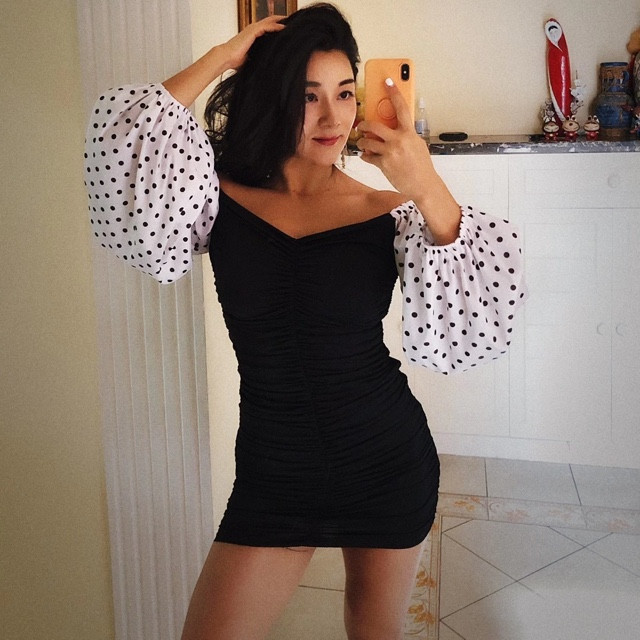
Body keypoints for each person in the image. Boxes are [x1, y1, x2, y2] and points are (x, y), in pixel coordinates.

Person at [84, 4, 526, 639]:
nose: (333, 117)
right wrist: (221, 58)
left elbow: (479, 317)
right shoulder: (215, 197)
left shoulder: (388, 211)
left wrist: (424, 179)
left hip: (385, 461)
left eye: (345, 93)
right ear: (272, 97)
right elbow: (126, 138)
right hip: (274, 471)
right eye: (307, 95)